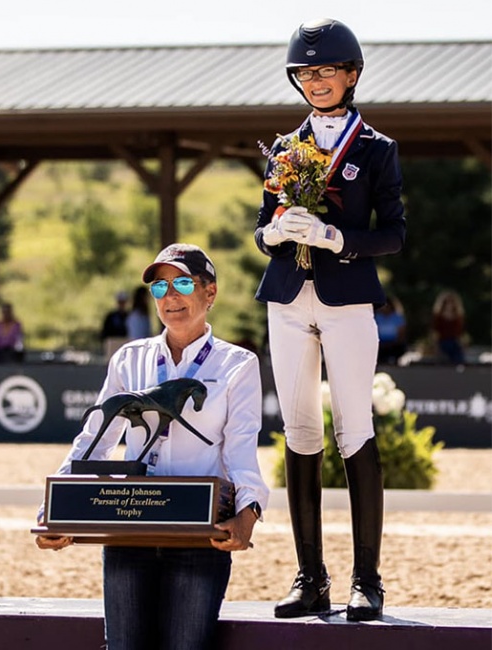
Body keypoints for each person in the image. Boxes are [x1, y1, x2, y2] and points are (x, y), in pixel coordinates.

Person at [35, 243, 269, 650]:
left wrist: (249, 512)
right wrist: (56, 508)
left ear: (209, 293)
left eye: (181, 283)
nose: (170, 297)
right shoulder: (129, 358)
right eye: (160, 288)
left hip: (200, 538)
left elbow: (241, 446)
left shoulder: (237, 365)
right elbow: (95, 440)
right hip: (129, 532)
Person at [254, 18, 406, 621]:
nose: (317, 81)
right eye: (307, 73)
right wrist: (273, 231)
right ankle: (309, 575)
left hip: (347, 298)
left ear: (351, 76)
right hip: (288, 299)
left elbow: (393, 234)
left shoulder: (376, 150)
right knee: (299, 429)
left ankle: (366, 579)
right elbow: (262, 227)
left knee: (353, 425)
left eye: (327, 71)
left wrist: (338, 237)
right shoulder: (286, 150)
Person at [432, 290, 466, 365]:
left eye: (451, 302)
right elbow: (436, 332)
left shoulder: (458, 316)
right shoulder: (438, 316)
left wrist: (462, 344)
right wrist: (436, 346)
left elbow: (460, 332)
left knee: (459, 362)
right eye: (447, 302)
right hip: (443, 342)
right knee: (443, 364)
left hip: (455, 343)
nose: (449, 304)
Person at [375, 295, 407, 364]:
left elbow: (401, 333)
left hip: (394, 343)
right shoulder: (377, 317)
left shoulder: (397, 318)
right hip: (381, 343)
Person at [100, 290, 130, 357]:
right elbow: (105, 332)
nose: (122, 304)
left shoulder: (129, 316)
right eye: (120, 302)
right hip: (113, 344)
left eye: (123, 302)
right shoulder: (111, 316)